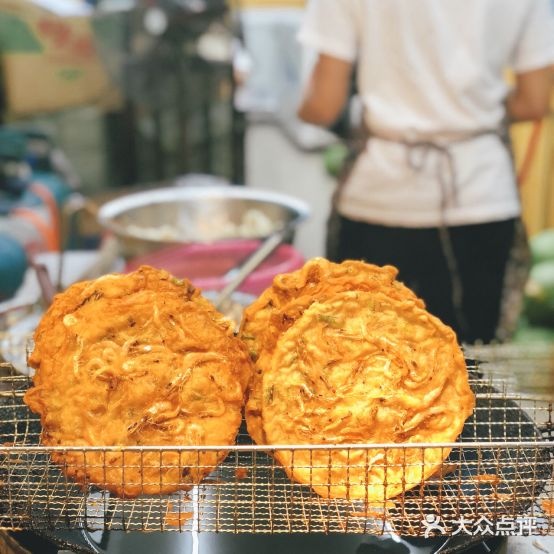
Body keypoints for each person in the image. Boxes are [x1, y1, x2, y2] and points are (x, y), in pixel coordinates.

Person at [297, 0, 554, 344]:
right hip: (480, 194)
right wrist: (468, 114)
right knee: (472, 366)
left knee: (358, 358)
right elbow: (534, 101)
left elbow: (323, 105)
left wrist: (294, 105)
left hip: (379, 195)